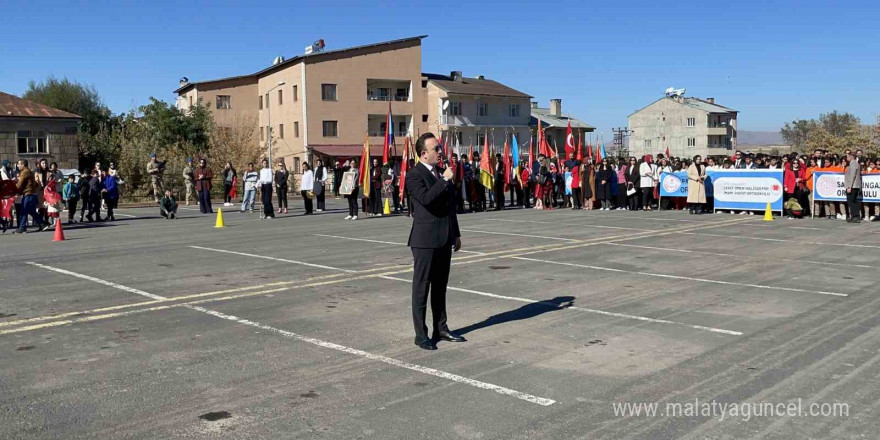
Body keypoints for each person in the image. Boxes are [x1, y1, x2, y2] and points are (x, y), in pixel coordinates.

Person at [406, 133, 463, 351]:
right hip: (424, 240)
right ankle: (421, 334)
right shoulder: (414, 175)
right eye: (436, 149)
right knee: (421, 288)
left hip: (443, 238)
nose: (440, 152)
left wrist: (455, 233)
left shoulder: (441, 173)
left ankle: (442, 327)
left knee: (440, 287)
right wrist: (445, 179)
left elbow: (450, 206)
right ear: (423, 153)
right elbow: (427, 199)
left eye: (439, 148)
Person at [13, 160, 47, 233]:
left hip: (28, 193)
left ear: (23, 164)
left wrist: (13, 189)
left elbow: (19, 184)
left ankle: (22, 228)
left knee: (24, 210)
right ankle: (42, 224)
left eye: (18, 164)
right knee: (31, 211)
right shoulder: (29, 171)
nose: (17, 166)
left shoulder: (25, 172)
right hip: (31, 193)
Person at [844, 151, 862, 223]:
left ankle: (855, 216)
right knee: (852, 201)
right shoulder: (853, 164)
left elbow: (852, 175)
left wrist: (849, 186)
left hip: (853, 186)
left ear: (851, 157)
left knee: (852, 201)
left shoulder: (854, 164)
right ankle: (854, 216)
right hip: (853, 186)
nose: (847, 158)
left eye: (848, 157)